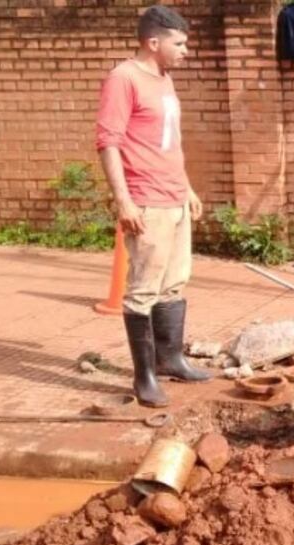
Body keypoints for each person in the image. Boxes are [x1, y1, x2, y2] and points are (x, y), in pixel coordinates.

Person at [95, 5, 210, 408]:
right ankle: (143, 377)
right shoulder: (124, 78)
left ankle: (170, 359)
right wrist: (123, 199)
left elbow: (169, 142)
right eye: (180, 44)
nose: (186, 51)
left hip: (174, 198)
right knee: (143, 290)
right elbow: (108, 142)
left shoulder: (164, 79)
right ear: (154, 42)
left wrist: (187, 188)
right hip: (146, 200)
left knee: (174, 283)